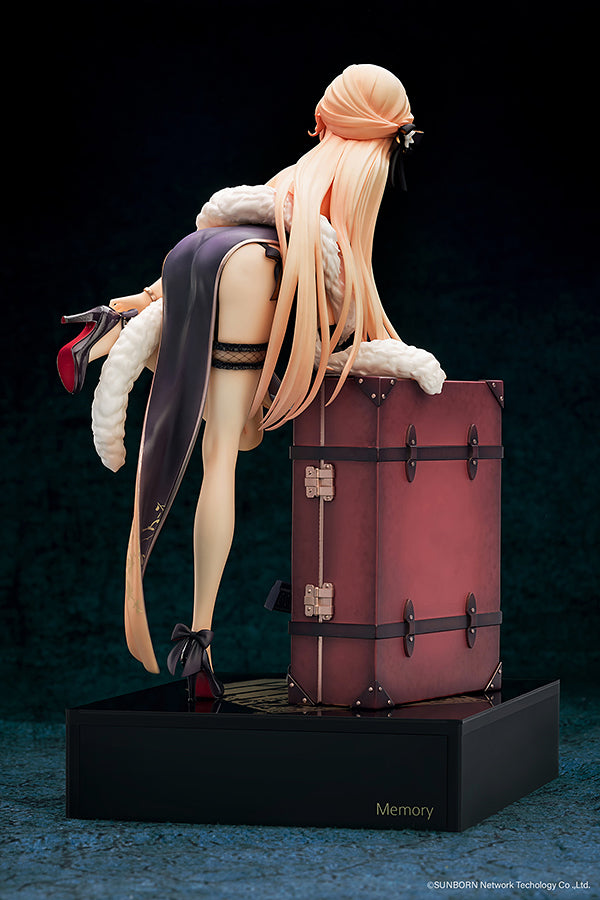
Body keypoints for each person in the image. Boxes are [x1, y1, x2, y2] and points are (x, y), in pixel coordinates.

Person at [57, 64, 445, 701]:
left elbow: (208, 244)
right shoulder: (361, 176)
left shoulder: (292, 177)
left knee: (216, 442)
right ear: (385, 134)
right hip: (256, 273)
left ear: (322, 120)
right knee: (220, 459)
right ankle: (199, 638)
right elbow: (347, 289)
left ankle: (107, 324)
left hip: (206, 251)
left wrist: (147, 299)